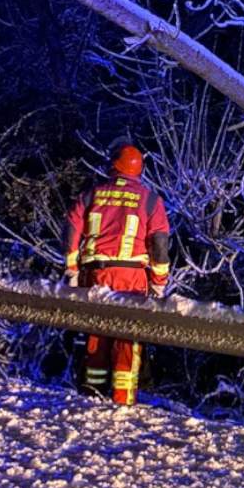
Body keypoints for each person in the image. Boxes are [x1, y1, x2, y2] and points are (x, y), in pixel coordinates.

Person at [64, 142, 171, 405]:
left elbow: (70, 230)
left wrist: (72, 271)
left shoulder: (91, 195)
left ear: (113, 165)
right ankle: (123, 401)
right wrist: (159, 283)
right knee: (128, 339)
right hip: (132, 279)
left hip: (95, 275)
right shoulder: (150, 200)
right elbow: (159, 244)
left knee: (96, 336)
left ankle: (91, 397)